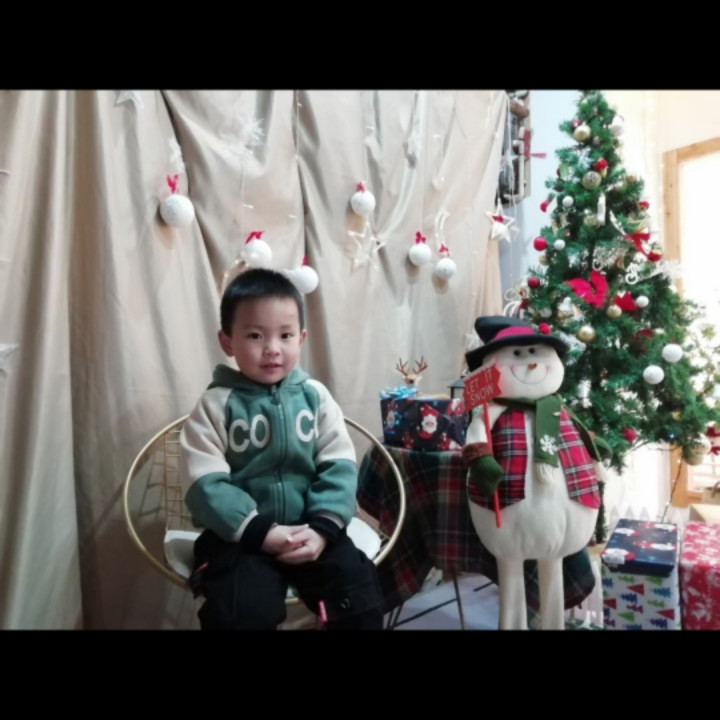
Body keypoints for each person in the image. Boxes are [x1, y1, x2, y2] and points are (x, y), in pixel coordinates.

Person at [179, 267, 383, 630]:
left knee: (358, 598)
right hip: (240, 538)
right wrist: (260, 532)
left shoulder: (315, 397)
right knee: (239, 612)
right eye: (255, 335)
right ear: (227, 342)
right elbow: (203, 484)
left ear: (301, 338)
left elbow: (338, 465)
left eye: (285, 335)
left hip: (312, 528)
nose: (273, 348)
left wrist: (323, 528)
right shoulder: (214, 405)